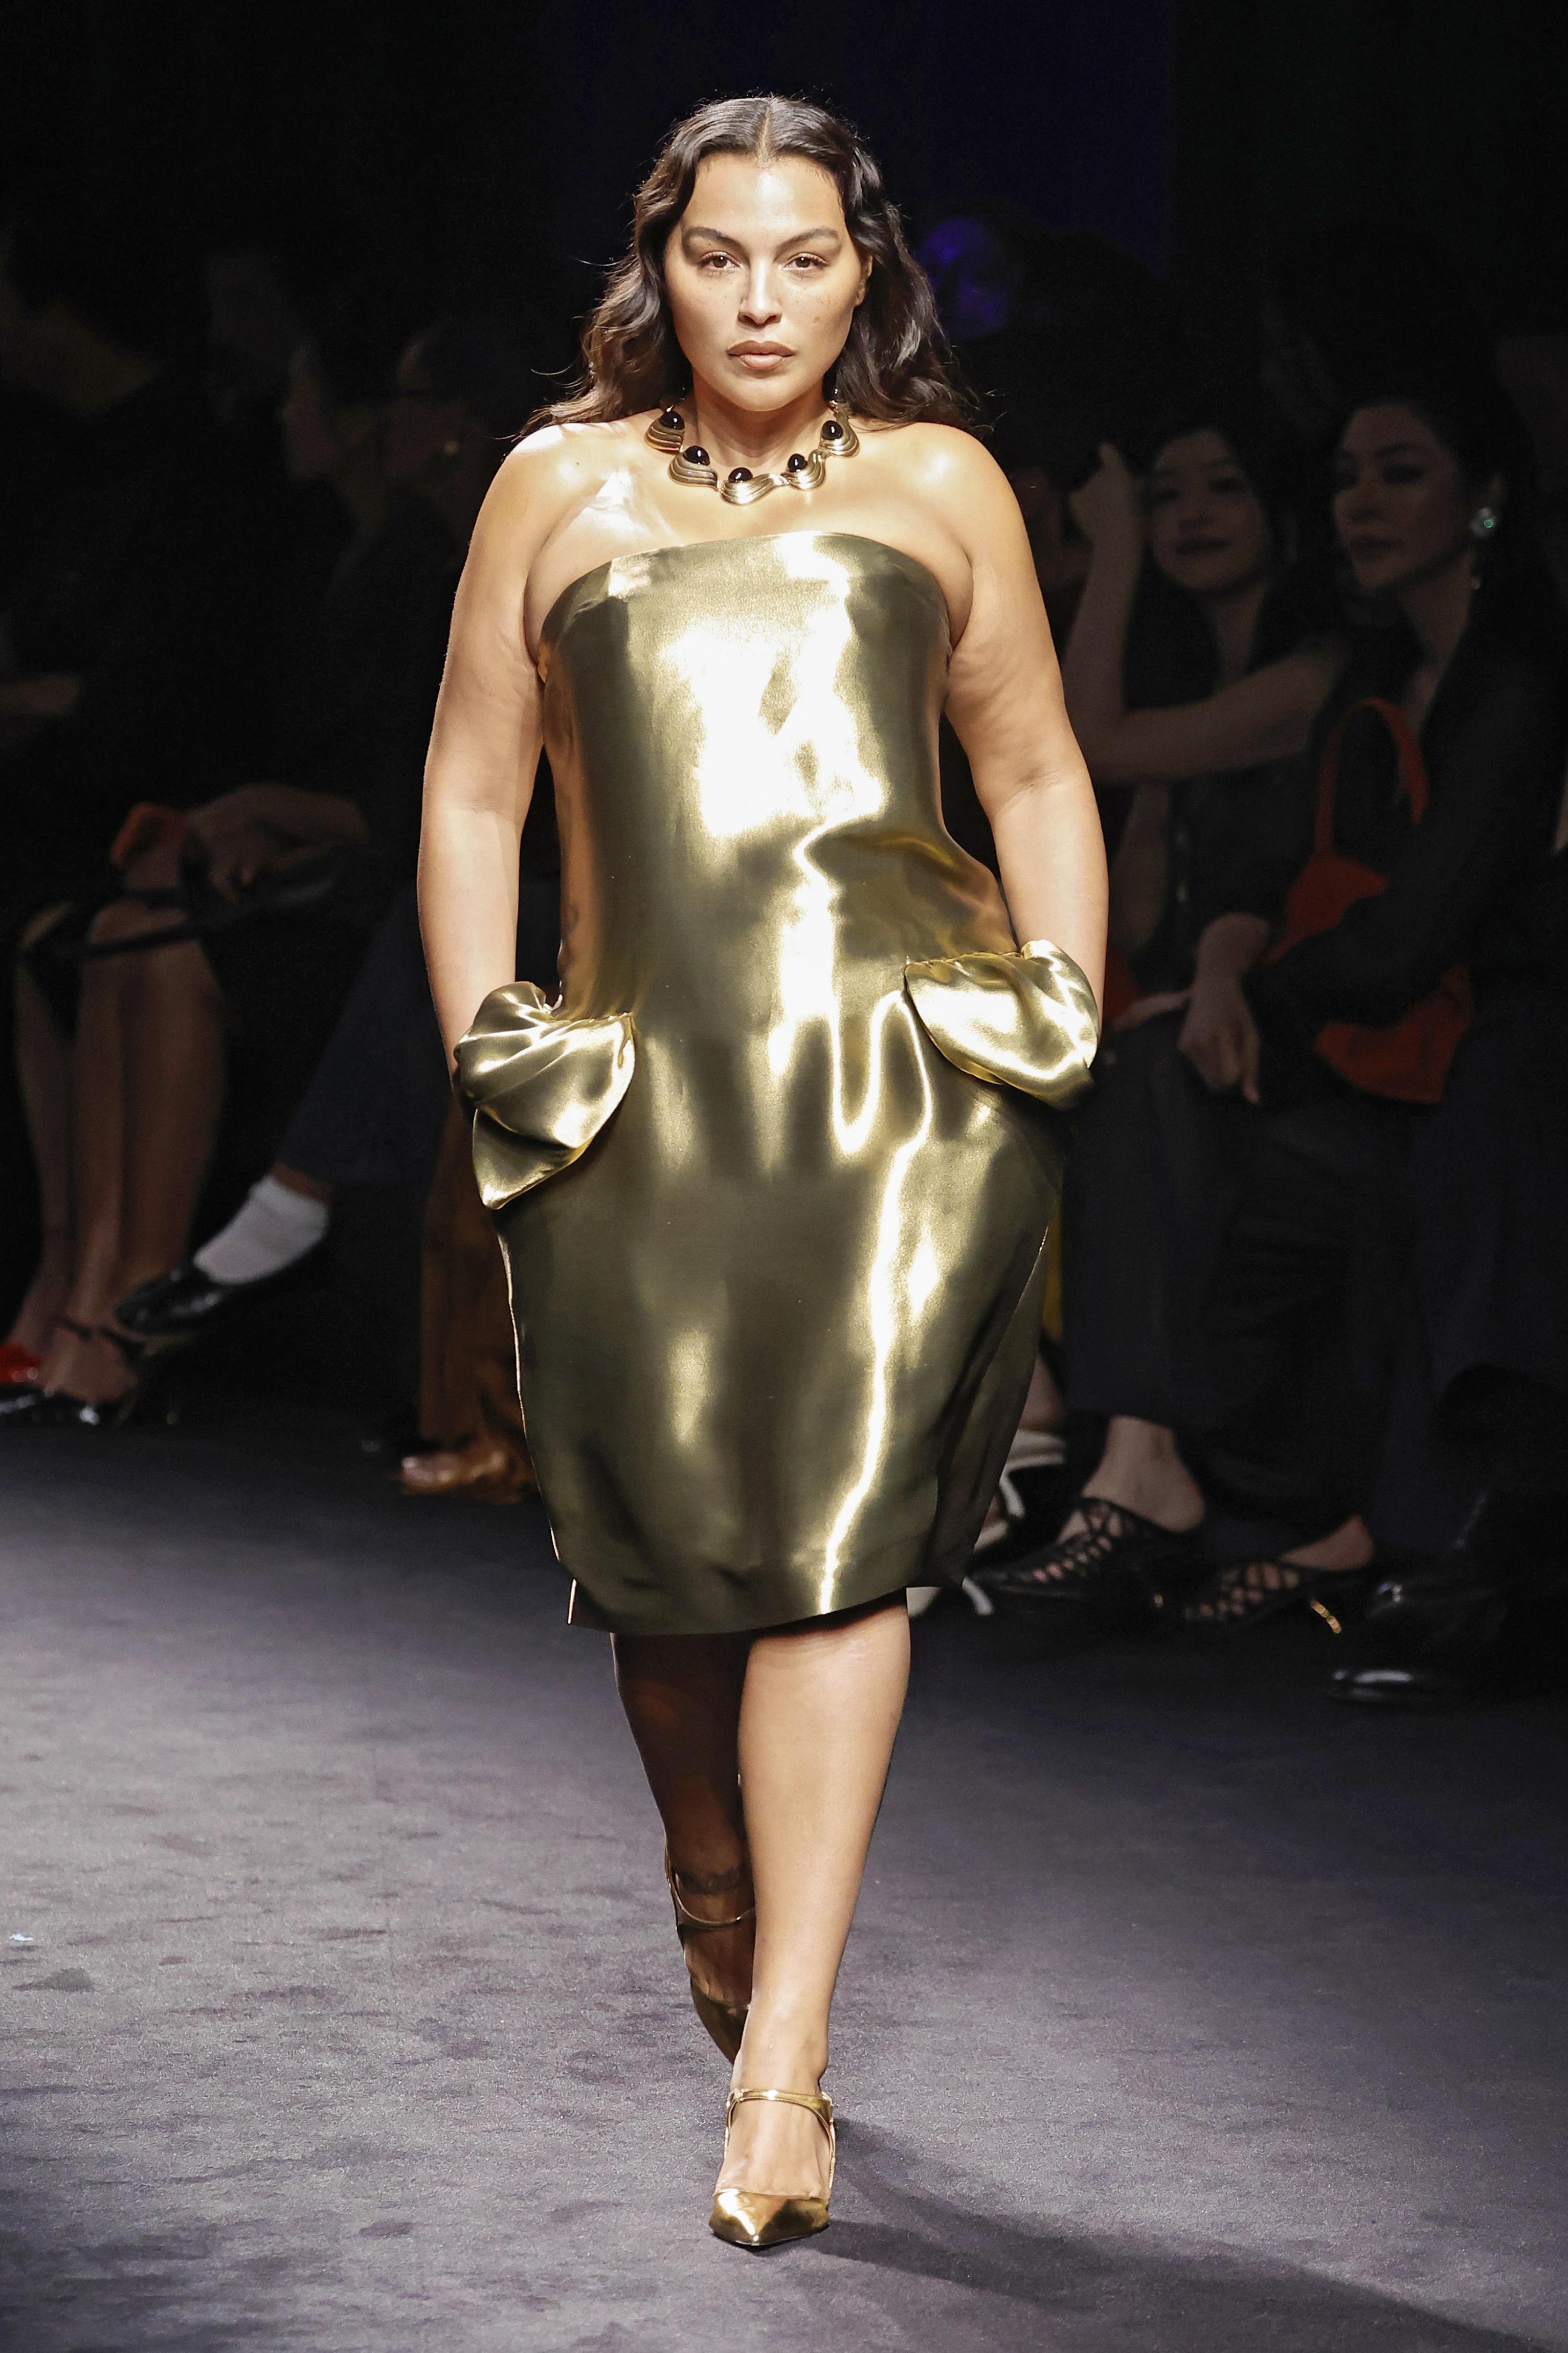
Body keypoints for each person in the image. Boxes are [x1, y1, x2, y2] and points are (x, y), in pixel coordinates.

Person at [418, 96, 1105, 2247]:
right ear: (661, 263)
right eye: (718, 255)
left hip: (899, 1098)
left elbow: (1030, 768)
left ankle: (782, 2060)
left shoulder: (939, 484)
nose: (758, 301)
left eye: (804, 258)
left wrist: (1056, 1014)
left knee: (837, 1562)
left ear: (861, 271)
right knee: (660, 1596)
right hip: (636, 1101)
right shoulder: (555, 484)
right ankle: (709, 1870)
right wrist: (489, 1047)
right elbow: (469, 789)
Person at [981, 370, 1566, 1629]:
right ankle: (1133, 1467)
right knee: (1136, 1074)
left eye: (1400, 474)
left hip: (1465, 1078)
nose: (1364, 502)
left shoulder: (1504, 685)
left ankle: (1146, 1469)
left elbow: (1409, 939)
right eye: (1349, 477)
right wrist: (1220, 976)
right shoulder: (1382, 671)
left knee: (1140, 1087)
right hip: (1357, 1060)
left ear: (1484, 500)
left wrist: (1245, 993)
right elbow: (1262, 876)